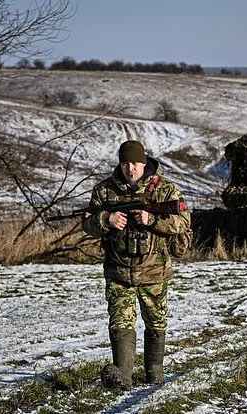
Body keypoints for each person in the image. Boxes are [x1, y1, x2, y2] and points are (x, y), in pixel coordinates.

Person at [82, 140, 191, 389]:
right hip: (118, 271)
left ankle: (155, 375)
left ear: (144, 163)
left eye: (135, 163)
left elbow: (183, 221)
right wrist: (106, 219)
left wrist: (151, 219)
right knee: (120, 322)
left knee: (156, 322)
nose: (131, 169)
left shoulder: (165, 189)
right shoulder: (104, 191)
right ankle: (123, 377)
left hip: (154, 271)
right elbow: (87, 224)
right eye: (125, 163)